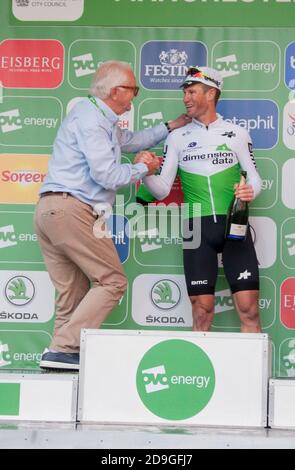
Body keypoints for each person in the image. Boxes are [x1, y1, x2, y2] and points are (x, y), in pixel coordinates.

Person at [34, 60, 189, 370]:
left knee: (73, 292)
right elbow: (107, 175)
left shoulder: (96, 117)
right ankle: (62, 347)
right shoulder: (92, 121)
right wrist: (145, 167)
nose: (135, 96)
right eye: (134, 90)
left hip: (50, 211)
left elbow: (129, 141)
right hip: (73, 210)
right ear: (117, 91)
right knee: (113, 282)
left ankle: (60, 361)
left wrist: (169, 127)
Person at [141, 66, 262, 333]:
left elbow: (255, 178)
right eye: (184, 92)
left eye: (191, 91)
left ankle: (249, 375)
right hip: (197, 227)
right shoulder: (177, 137)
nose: (185, 97)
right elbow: (161, 189)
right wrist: (147, 173)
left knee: (249, 309)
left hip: (235, 226)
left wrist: (250, 191)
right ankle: (200, 371)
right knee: (202, 310)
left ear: (211, 94)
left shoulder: (237, 133)